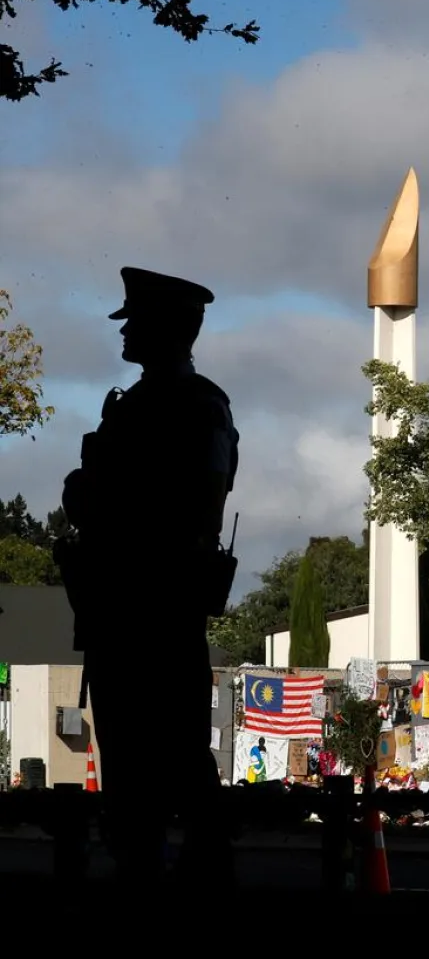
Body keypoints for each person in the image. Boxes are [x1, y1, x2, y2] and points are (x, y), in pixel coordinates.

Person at [56, 267, 240, 889]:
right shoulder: (144, 403)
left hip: (156, 602)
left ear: (169, 328)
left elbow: (196, 503)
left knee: (173, 750)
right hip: (123, 602)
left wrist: (96, 494)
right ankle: (149, 862)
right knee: (131, 753)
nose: (127, 332)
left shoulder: (194, 405)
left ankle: (188, 867)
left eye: (136, 322)